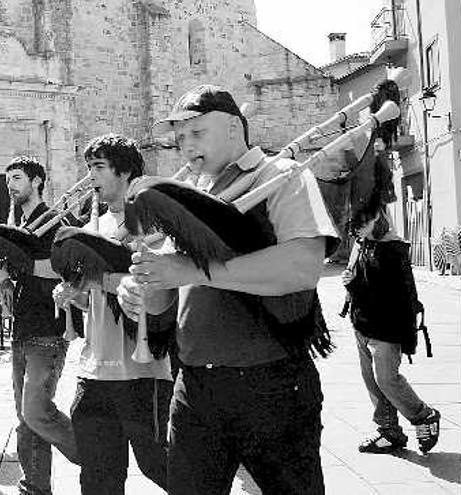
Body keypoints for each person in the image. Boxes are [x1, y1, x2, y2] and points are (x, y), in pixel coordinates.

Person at [117, 85, 338, 494]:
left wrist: (197, 271)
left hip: (271, 384)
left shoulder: (280, 175)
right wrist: (144, 290)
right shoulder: (192, 194)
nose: (186, 146)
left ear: (234, 127)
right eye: (180, 138)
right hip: (196, 387)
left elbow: (303, 267)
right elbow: (172, 287)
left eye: (197, 133)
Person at [52, 134, 175, 494]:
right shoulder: (91, 229)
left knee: (161, 468)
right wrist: (74, 295)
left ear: (125, 172)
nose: (91, 176)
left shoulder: (156, 224)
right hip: (93, 373)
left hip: (143, 374)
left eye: (99, 167)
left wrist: (101, 278)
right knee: (97, 479)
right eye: (90, 167)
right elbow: (92, 299)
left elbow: (159, 285)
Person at [0, 156, 78, 495]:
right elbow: (28, 278)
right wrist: (7, 282)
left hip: (49, 332)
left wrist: (22, 266)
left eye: (17, 178)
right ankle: (35, 487)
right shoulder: (19, 224)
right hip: (22, 330)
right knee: (25, 420)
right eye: (8, 179)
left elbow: (67, 270)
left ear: (37, 181)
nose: (11, 185)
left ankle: (96, 455)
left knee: (36, 412)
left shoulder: (56, 221)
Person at [343, 206, 441, 454]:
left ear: (376, 217)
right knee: (372, 381)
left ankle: (424, 415)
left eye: (360, 223)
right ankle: (388, 432)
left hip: (385, 329)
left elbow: (391, 296)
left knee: (387, 380)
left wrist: (353, 285)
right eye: (354, 225)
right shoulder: (363, 243)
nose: (356, 229)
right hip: (362, 324)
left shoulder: (392, 250)